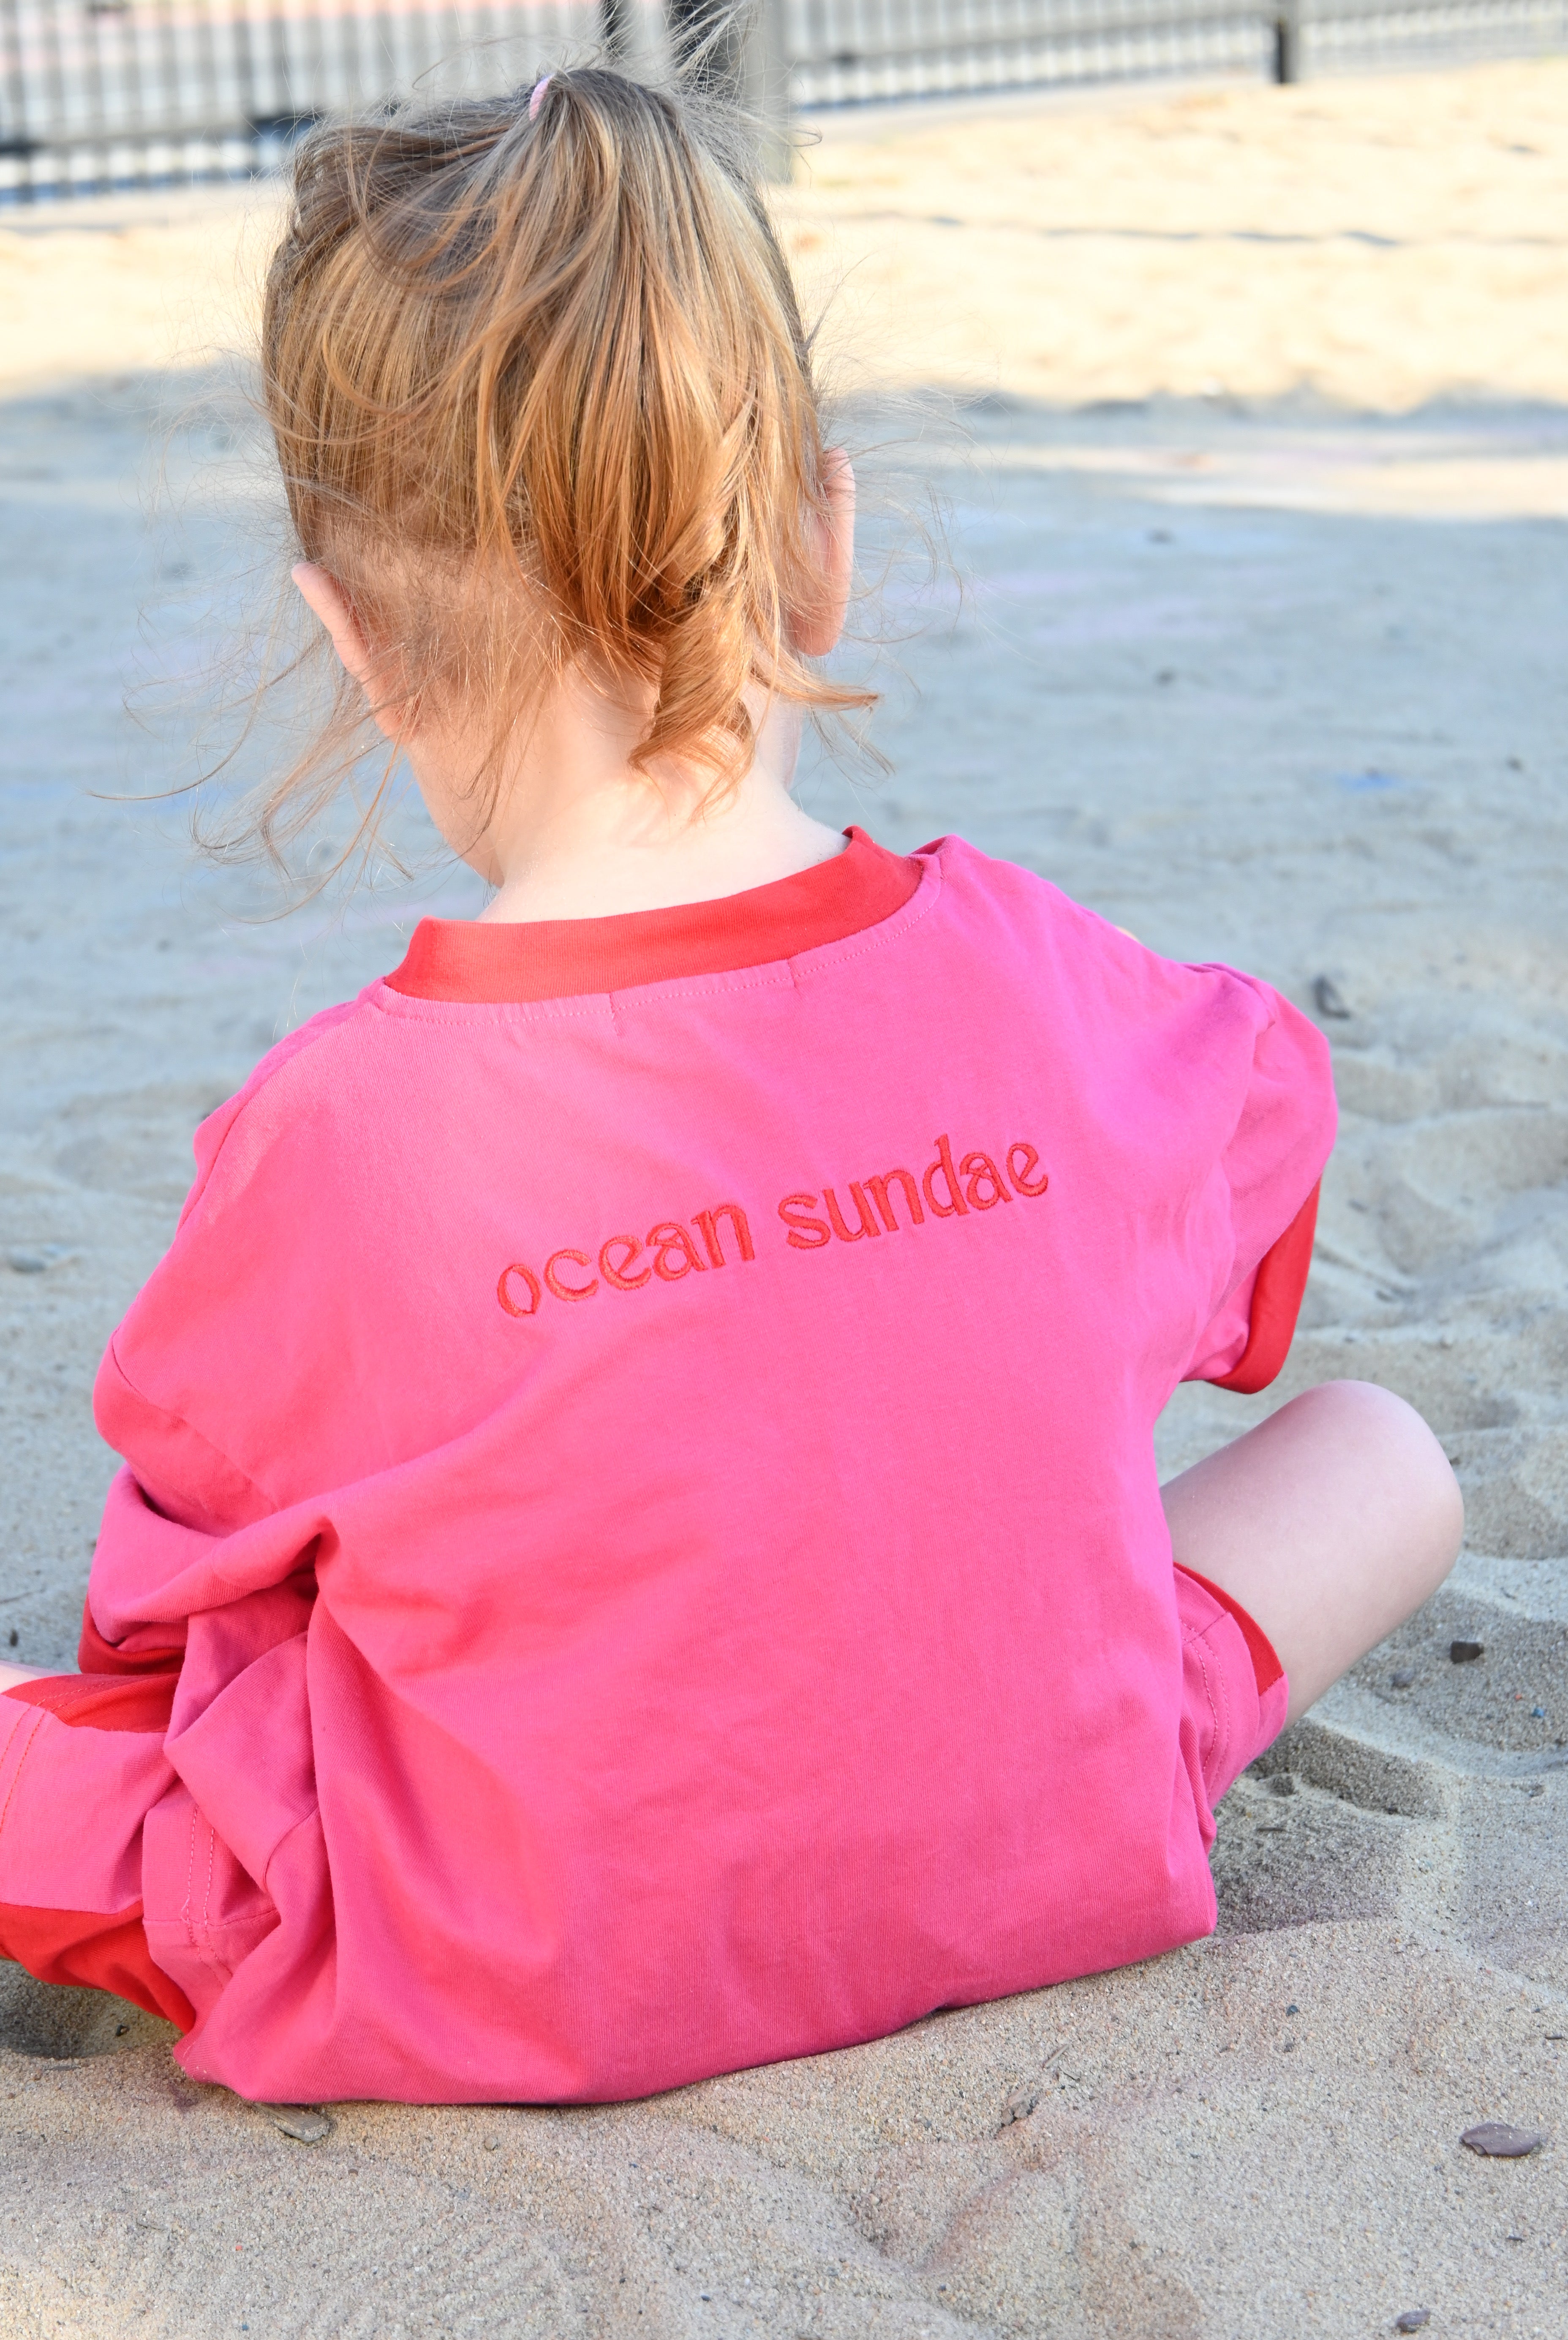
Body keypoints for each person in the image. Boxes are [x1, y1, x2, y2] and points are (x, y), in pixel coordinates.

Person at [0, 68, 1461, 2103]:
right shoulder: (1052, 980)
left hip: (511, 1959)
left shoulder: (335, 1137)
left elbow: (172, 1585)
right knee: (1382, 1451)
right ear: (824, 543)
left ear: (353, 637)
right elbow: (1260, 1138)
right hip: (1050, 1837)